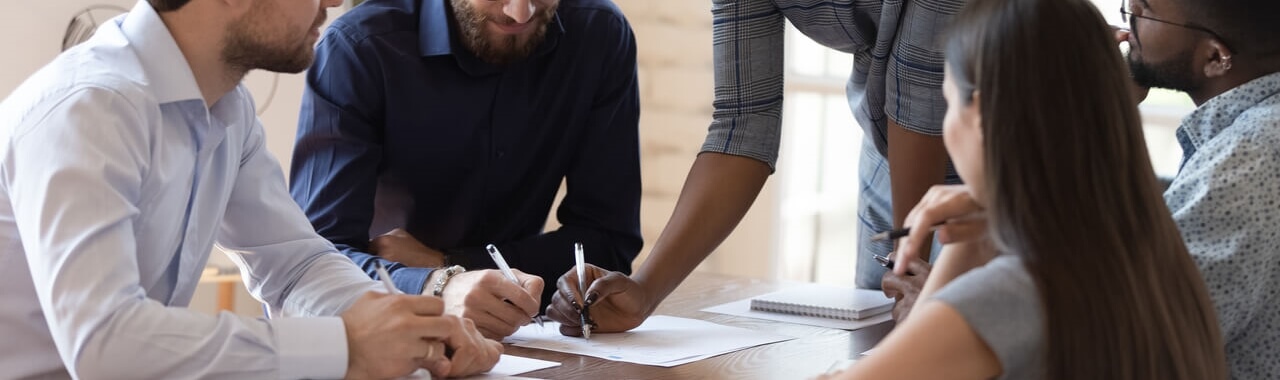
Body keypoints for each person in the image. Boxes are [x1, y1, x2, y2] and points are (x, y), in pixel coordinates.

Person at [0, 0, 500, 378]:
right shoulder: (90, 108)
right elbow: (104, 345)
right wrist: (344, 345)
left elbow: (295, 265)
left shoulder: (226, 106)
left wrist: (414, 327)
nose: (332, 1)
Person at [821, 0, 1228, 378]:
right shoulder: (1158, 258)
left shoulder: (1013, 293)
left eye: (947, 103)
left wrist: (956, 267)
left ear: (980, 114)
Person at [546, 0, 964, 336]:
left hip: (1002, 147)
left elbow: (921, 100)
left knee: (964, 330)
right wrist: (644, 291)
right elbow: (743, 120)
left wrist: (912, 272)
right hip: (889, 144)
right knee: (882, 334)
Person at [290, 0, 642, 339]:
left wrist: (450, 264)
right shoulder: (360, 48)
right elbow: (310, 262)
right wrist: (435, 286)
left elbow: (608, 241)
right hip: (370, 335)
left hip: (521, 343)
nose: (520, 11)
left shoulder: (599, 34)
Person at [1116, 0, 1280, 377]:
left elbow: (1136, 344)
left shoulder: (1245, 161)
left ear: (1215, 57)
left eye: (1145, 9)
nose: (1130, 15)